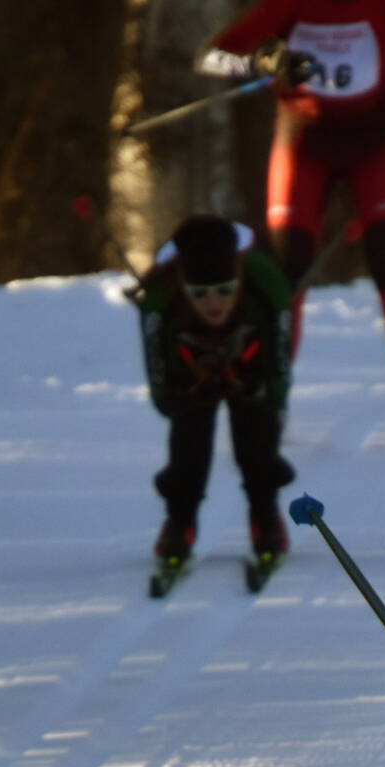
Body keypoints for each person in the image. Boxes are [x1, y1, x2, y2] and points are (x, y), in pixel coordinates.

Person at [197, 0, 385, 459]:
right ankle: (270, 399)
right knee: (288, 273)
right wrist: (268, 62)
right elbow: (213, 56)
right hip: (304, 146)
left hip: (375, 146)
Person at [139, 214, 296, 578]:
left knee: (256, 433)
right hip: (191, 371)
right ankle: (180, 521)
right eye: (200, 293)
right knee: (189, 435)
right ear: (183, 285)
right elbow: (159, 380)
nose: (213, 303)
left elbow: (280, 370)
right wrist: (179, 398)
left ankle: (265, 515)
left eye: (225, 290)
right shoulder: (161, 302)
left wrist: (267, 395)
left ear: (239, 278)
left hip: (250, 366)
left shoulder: (266, 291)